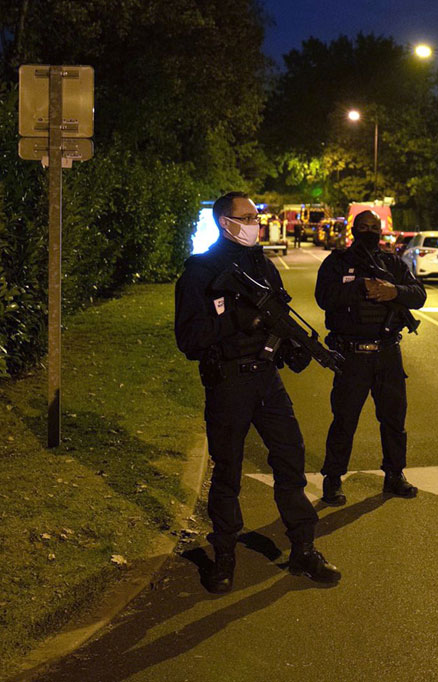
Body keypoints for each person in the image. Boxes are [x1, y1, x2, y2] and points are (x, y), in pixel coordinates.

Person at [175, 191, 341, 592]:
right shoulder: (199, 272)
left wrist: (293, 349)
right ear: (224, 222)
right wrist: (237, 319)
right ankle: (224, 555)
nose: (255, 223)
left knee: (290, 458)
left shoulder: (264, 267)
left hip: (267, 378)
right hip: (228, 381)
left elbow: (279, 319)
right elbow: (190, 339)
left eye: (255, 216)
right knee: (227, 469)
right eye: (246, 217)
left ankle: (303, 547)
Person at [315, 210, 426, 504]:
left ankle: (394, 474)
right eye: (363, 227)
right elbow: (323, 298)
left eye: (373, 228)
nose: (368, 232)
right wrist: (359, 286)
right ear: (353, 230)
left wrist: (394, 291)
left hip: (388, 353)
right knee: (344, 419)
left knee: (393, 419)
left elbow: (419, 295)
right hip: (352, 355)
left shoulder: (391, 263)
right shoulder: (337, 263)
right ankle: (333, 478)